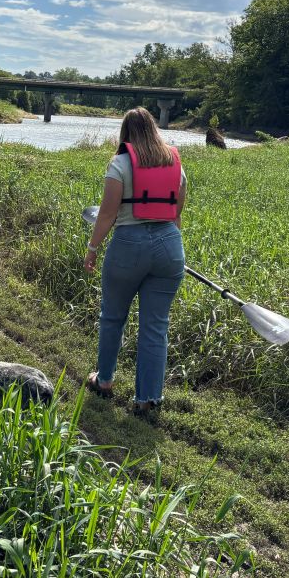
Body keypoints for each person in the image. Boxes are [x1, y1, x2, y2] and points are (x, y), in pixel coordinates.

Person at [83, 106, 186, 416]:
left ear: (125, 133)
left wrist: (92, 248)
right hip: (170, 246)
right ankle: (148, 399)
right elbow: (176, 215)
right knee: (155, 327)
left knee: (113, 317)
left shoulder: (119, 164)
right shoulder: (176, 164)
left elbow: (108, 214)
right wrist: (170, 249)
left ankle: (104, 381)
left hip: (129, 245)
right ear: (154, 130)